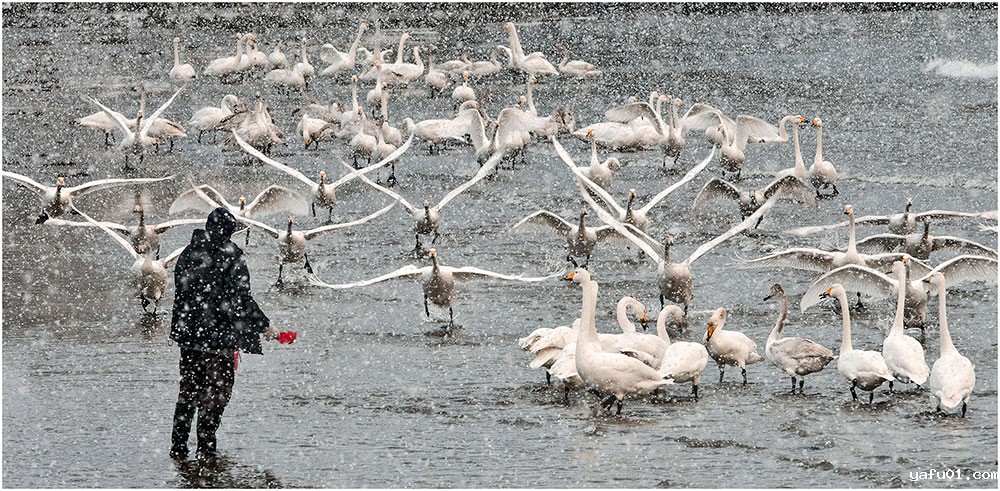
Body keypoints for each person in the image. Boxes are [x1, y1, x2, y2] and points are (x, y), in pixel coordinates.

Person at [169, 207, 277, 461]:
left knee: (188, 391)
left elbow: (182, 294)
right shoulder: (231, 255)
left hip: (190, 338)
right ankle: (206, 450)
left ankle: (178, 447)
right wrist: (265, 326)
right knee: (215, 395)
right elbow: (241, 300)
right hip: (219, 341)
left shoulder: (188, 253)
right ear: (229, 231)